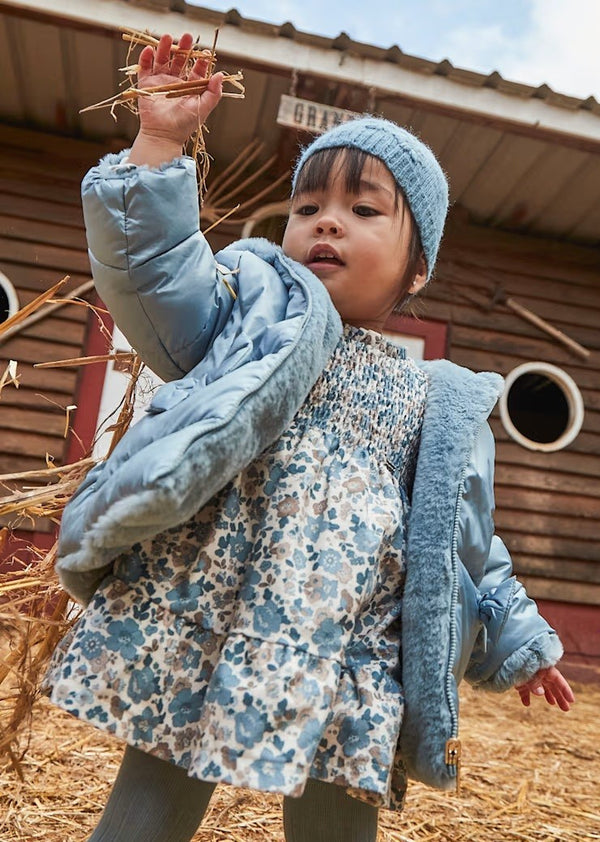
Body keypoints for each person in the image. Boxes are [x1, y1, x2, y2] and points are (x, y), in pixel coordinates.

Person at [43, 32, 574, 842]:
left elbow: (463, 543)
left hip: (345, 645)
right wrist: (158, 144)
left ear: (416, 267)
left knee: (336, 806)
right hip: (210, 606)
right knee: (157, 777)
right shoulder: (252, 313)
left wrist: (522, 635)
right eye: (308, 208)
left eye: (363, 211)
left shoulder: (439, 400)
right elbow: (157, 274)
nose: (327, 224)